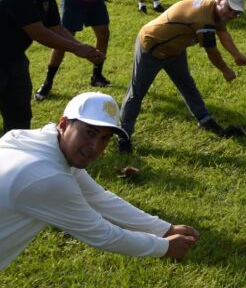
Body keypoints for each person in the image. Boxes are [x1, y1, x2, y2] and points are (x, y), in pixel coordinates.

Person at [0, 92, 199, 269]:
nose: (95, 147)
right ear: (63, 124)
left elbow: (98, 198)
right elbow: (102, 234)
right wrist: (164, 247)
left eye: (105, 138)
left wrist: (164, 229)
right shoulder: (48, 178)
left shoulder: (32, 140)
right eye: (90, 132)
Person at [117, 0, 246, 153]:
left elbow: (222, 32)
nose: (231, 15)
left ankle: (204, 119)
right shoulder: (203, 19)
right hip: (152, 46)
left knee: (186, 84)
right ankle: (123, 136)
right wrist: (226, 70)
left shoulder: (214, 10)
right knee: (137, 92)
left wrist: (236, 55)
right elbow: (212, 51)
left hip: (176, 48)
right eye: (230, 9)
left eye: (236, 13)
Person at [0, 0, 104, 133]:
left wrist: (82, 47)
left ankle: (15, 150)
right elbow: (40, 33)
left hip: (14, 59)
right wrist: (77, 49)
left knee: (20, 114)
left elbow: (56, 28)